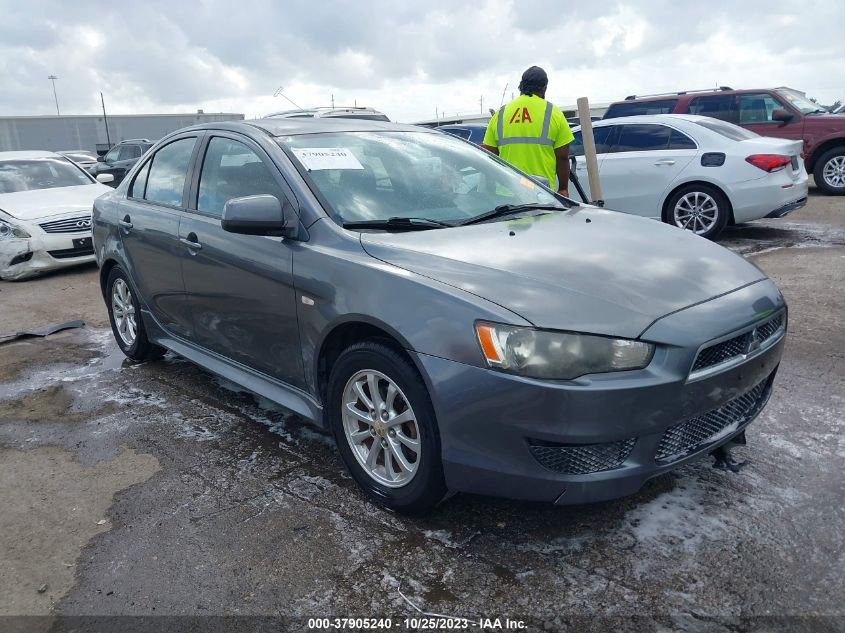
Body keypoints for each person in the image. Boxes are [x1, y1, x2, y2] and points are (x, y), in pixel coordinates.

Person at [482, 66, 574, 196]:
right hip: (542, 193)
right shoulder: (554, 113)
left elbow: (489, 158)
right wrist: (563, 188)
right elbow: (563, 157)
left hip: (506, 194)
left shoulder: (500, 114)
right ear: (544, 88)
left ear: (521, 86)